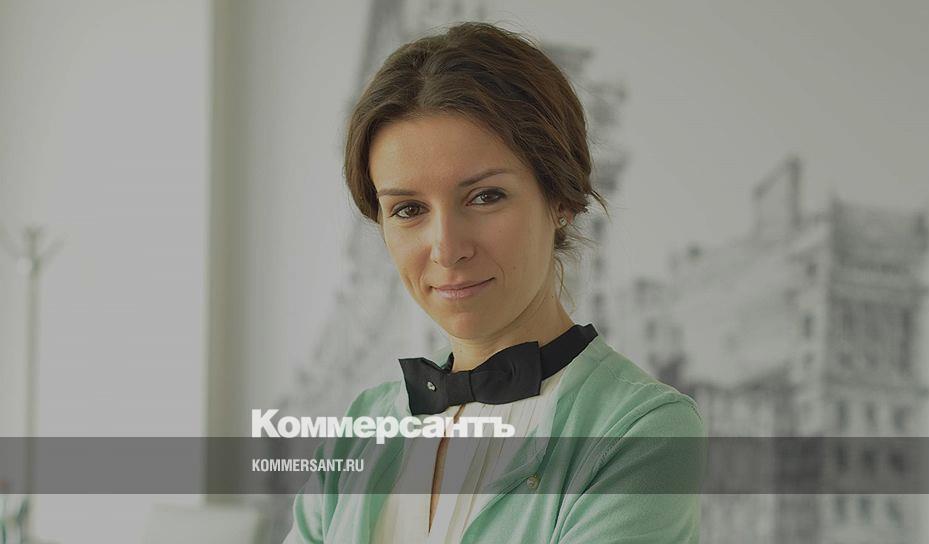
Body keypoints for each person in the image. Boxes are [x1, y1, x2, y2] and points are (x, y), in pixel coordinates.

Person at [284, 22, 705, 544]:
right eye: (408, 209)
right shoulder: (362, 427)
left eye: (485, 197)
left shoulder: (640, 431)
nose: (446, 248)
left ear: (561, 198)